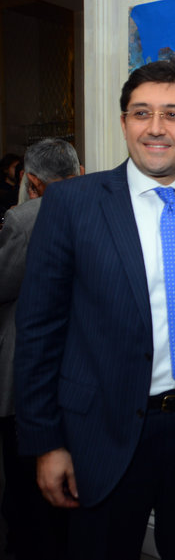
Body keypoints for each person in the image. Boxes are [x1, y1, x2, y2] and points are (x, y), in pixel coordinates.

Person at [14, 60, 175, 560]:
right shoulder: (72, 204)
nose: (155, 128)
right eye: (141, 113)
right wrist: (46, 442)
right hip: (101, 430)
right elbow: (38, 331)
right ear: (124, 123)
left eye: (172, 114)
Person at [0, 138, 81, 559]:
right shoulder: (99, 207)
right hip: (82, 373)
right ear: (79, 171)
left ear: (31, 181)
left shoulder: (25, 218)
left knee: (25, 493)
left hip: (26, 374)